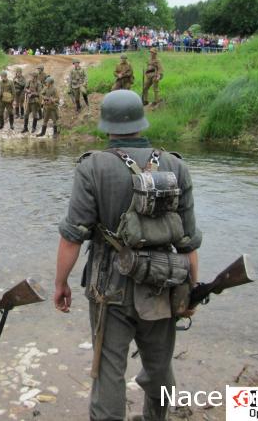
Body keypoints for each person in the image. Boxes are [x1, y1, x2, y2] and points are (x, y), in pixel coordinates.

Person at [54, 90, 202, 421]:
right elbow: (188, 242)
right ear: (141, 121)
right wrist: (192, 288)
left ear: (106, 126)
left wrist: (60, 282)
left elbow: (72, 238)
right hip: (164, 281)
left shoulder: (92, 167)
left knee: (108, 369)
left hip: (110, 287)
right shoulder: (176, 165)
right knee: (160, 366)